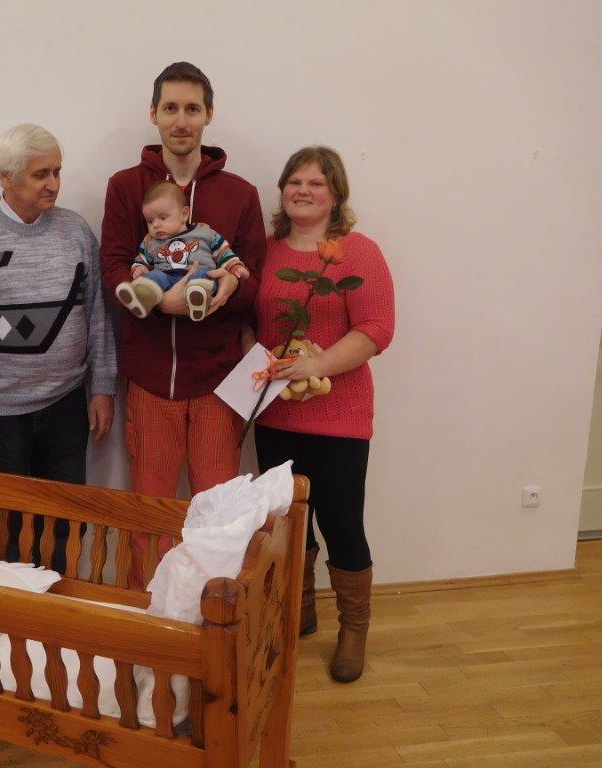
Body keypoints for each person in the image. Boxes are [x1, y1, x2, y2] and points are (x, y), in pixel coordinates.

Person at [101, 61, 267, 587]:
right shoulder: (125, 187)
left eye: (192, 109)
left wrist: (231, 288)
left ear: (208, 115)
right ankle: (150, 618)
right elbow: (113, 268)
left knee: (216, 518)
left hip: (217, 383)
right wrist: (159, 304)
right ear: (153, 113)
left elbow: (255, 280)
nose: (181, 120)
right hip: (150, 381)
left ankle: (212, 617)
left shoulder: (240, 194)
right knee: (151, 518)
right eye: (170, 108)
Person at [0, 123, 116, 572]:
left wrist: (102, 388)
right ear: (6, 176)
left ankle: (57, 604)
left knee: (65, 524)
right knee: (4, 530)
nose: (53, 184)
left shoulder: (75, 232)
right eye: (41, 174)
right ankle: (6, 612)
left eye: (57, 171)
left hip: (66, 405)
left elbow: (97, 314)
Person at [251, 146, 395, 683]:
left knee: (341, 523)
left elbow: (377, 329)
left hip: (340, 417)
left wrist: (315, 364)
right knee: (288, 525)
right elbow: (249, 322)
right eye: (295, 181)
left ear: (336, 194)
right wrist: (266, 362)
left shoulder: (358, 253)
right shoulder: (266, 252)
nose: (303, 190)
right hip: (275, 415)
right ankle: (300, 609)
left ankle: (353, 628)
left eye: (316, 182)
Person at [115, 181, 250, 322]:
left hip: (199, 274)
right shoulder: (150, 241)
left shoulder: (204, 232)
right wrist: (139, 269)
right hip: (167, 278)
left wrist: (235, 267)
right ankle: (142, 297)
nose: (156, 225)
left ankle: (198, 297)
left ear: (184, 214)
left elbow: (223, 252)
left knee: (203, 274)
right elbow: (141, 259)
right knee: (154, 276)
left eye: (162, 218)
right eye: (150, 221)